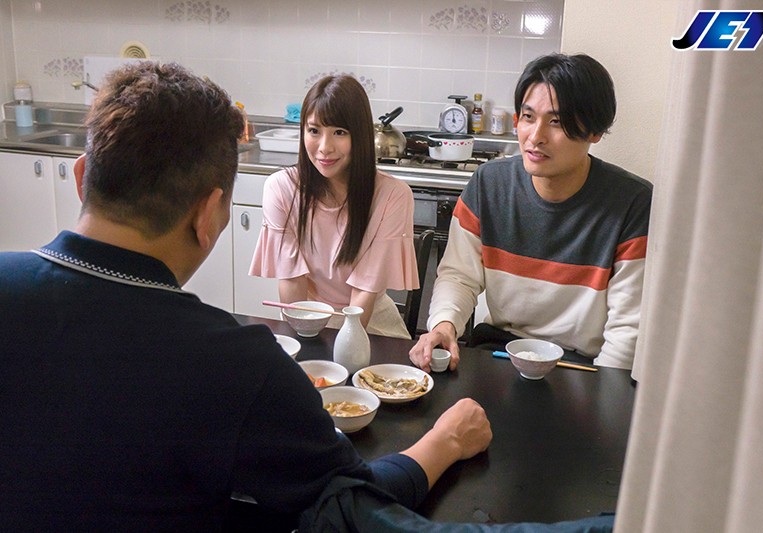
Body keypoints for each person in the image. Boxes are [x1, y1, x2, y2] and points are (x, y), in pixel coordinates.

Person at [0, 61, 493, 532]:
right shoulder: (235, 364)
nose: (325, 146)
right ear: (209, 214)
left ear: (81, 176)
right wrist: (446, 440)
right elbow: (350, 503)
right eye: (315, 131)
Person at [409, 53, 653, 373]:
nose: (535, 137)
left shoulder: (632, 203)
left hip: (582, 368)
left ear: (595, 131)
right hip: (499, 352)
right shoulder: (489, 184)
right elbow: (459, 276)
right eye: (528, 116)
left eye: (556, 122)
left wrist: (603, 391)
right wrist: (444, 325)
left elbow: (627, 329)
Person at [249, 74, 417, 339]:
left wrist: (344, 349)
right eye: (314, 131)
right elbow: (292, 281)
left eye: (339, 132)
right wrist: (302, 340)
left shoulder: (393, 196)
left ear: (360, 135)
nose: (324, 148)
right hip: (308, 319)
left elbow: (364, 292)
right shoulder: (281, 188)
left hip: (371, 327)